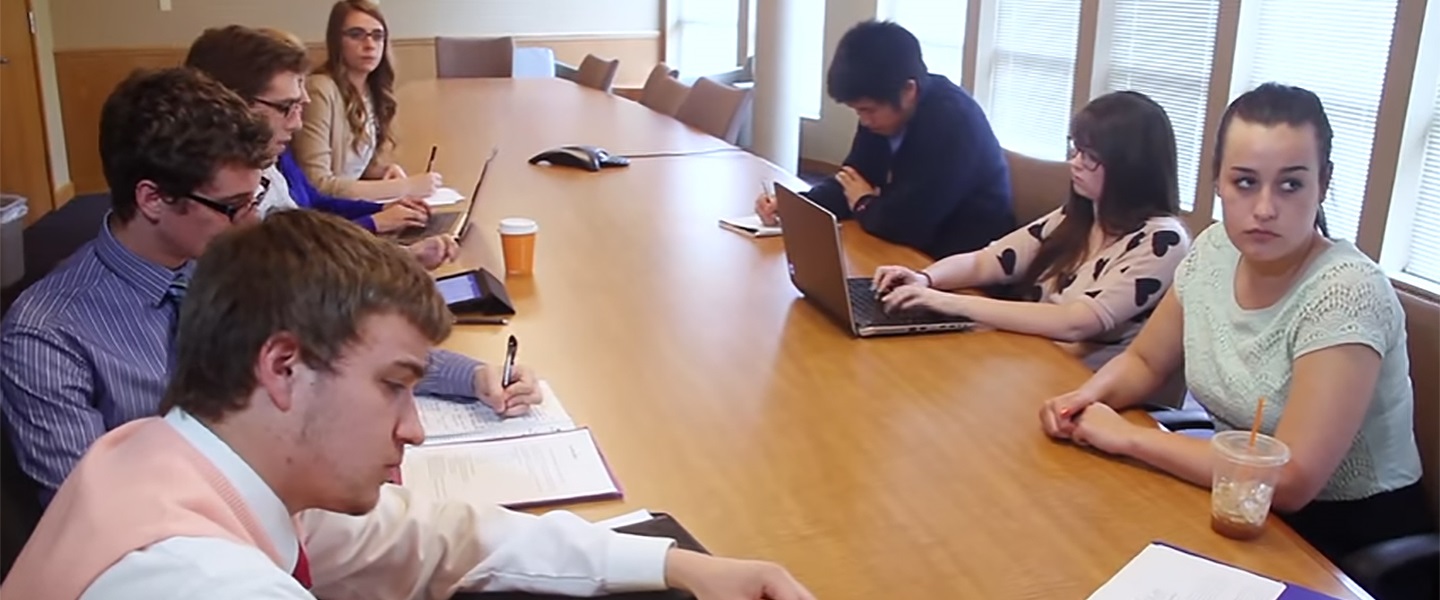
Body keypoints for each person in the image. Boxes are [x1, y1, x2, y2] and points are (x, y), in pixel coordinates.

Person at [0, 208, 817, 600]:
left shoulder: (192, 453)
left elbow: (438, 540)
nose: (414, 426)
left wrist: (679, 566)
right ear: (283, 367)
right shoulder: (188, 579)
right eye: (394, 385)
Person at [0, 67, 527, 505]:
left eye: (255, 199)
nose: (252, 223)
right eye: (232, 207)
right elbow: (90, 517)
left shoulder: (218, 261)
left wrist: (474, 377)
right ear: (153, 199)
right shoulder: (46, 335)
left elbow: (343, 339)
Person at [1038, 84, 1434, 566]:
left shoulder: (1346, 291)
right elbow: (1145, 360)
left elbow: (1289, 481)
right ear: (1218, 182)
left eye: (1290, 184)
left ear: (1323, 184)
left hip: (1341, 539)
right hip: (1229, 502)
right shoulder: (1213, 251)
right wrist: (1086, 400)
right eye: (1245, 182)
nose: (1264, 208)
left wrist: (1127, 437)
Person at [873, 91, 1190, 371]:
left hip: (1078, 383)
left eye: (1090, 157)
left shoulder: (1162, 240)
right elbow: (987, 261)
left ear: (1130, 169)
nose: (1075, 164)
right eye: (1076, 150)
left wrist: (949, 303)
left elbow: (1075, 322)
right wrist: (926, 278)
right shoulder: (1082, 215)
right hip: (1026, 359)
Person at [182, 24, 452, 270]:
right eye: (287, 107)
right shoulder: (217, 198)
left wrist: (379, 212)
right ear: (233, 106)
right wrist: (385, 238)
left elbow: (313, 206)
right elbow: (294, 268)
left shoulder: (274, 153)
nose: (297, 124)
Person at [754, 20, 1014, 259]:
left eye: (868, 110)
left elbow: (909, 225)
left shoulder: (953, 122)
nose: (864, 121)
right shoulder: (882, 113)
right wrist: (795, 207)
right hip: (911, 253)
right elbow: (852, 182)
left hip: (966, 264)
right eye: (858, 111)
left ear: (908, 90)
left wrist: (865, 202)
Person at [295, 0, 439, 201]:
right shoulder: (320, 90)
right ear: (336, 41)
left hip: (352, 208)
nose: (370, 45)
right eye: (356, 34)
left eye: (378, 36)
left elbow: (352, 166)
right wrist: (404, 187)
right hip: (329, 217)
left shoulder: (371, 90)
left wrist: (383, 172)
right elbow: (317, 185)